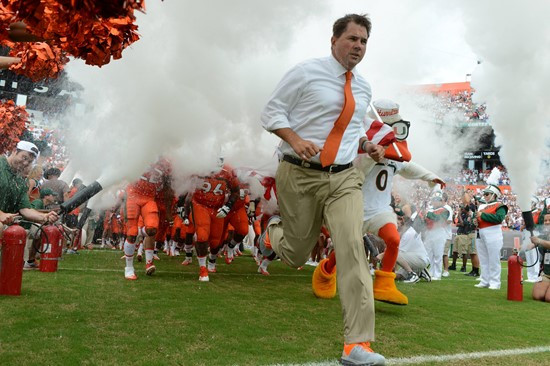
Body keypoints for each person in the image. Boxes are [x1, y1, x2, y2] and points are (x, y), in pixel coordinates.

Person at [260, 14, 386, 365]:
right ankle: (270, 236)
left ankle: (357, 345)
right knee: (298, 253)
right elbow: (271, 112)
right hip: (299, 174)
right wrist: (295, 139)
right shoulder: (304, 72)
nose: (358, 46)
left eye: (363, 41)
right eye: (352, 39)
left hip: (344, 178)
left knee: (351, 249)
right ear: (334, 41)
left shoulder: (363, 87)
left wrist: (367, 145)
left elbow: (351, 127)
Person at [0, 141, 58, 236]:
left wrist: (44, 217)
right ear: (15, 151)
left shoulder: (20, 180)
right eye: (24, 157)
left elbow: (24, 209)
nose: (26, 162)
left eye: (30, 161)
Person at [474, 184, 507, 290]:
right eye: (484, 194)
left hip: (493, 233)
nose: (485, 196)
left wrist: (482, 216)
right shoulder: (482, 206)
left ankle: (495, 282)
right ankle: (485, 280)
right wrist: (476, 221)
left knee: (493, 259)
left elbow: (499, 218)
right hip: (480, 232)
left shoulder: (499, 205)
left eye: (487, 194)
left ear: (494, 195)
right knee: (483, 258)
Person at [23, 188, 58, 270]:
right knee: (43, 231)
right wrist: (48, 212)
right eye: (52, 195)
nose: (54, 197)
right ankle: (31, 259)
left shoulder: (43, 204)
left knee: (42, 231)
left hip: (29, 226)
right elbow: (33, 211)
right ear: (46, 196)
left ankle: (32, 259)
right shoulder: (38, 202)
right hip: (26, 226)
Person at [529, 214, 550, 302]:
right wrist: (519, 247)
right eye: (545, 221)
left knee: (549, 299)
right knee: (537, 296)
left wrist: (539, 241)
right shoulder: (543, 236)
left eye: (549, 220)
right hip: (546, 273)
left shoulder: (541, 239)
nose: (547, 222)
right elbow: (530, 245)